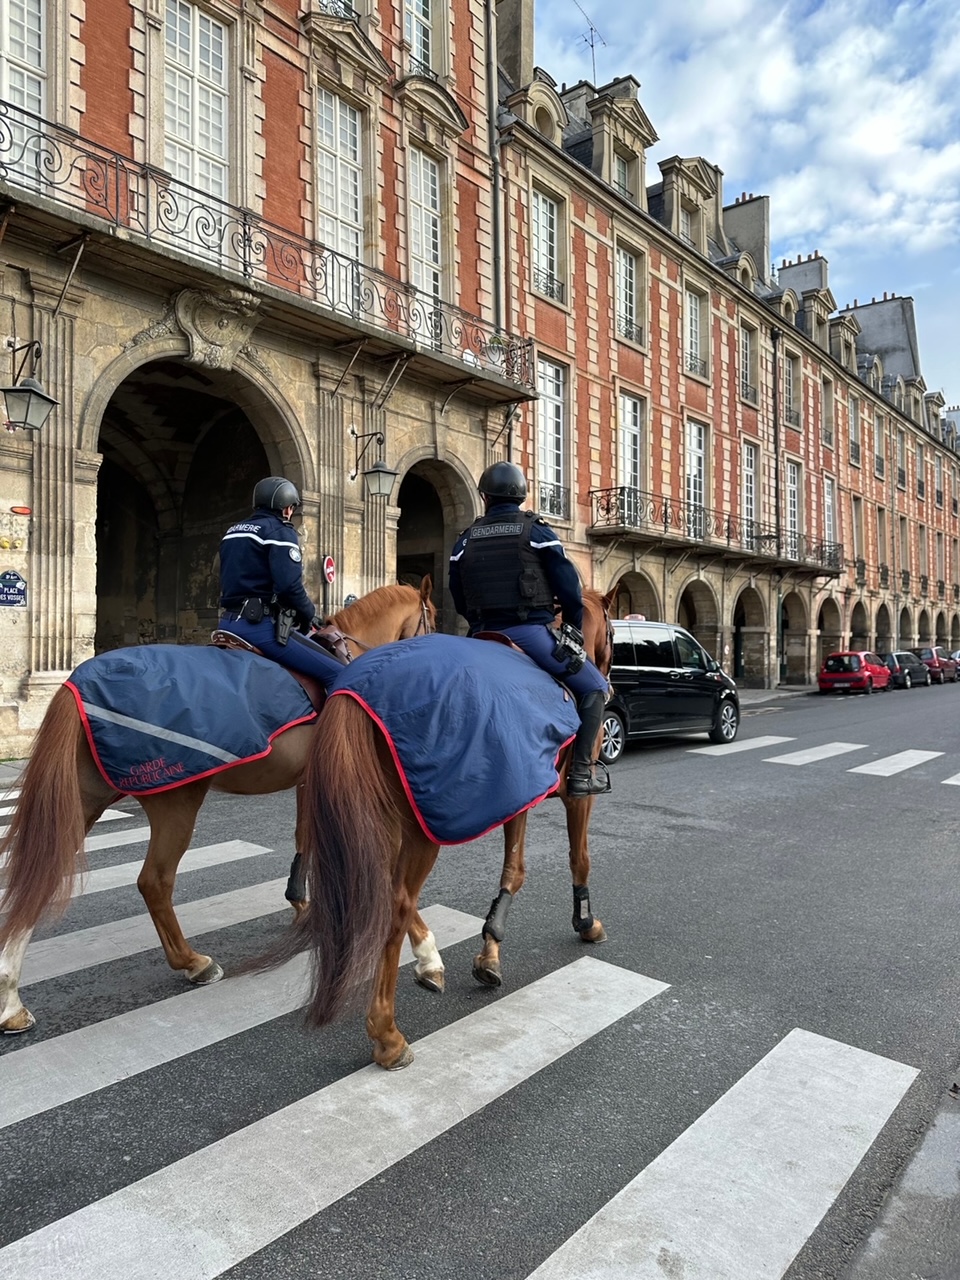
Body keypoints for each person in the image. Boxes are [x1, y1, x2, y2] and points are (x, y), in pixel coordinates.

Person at [449, 461, 609, 797]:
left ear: (484, 496)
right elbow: (570, 592)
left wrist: (479, 622)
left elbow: (458, 597)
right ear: (521, 496)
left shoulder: (465, 540)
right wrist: (575, 630)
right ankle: (581, 772)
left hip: (479, 636)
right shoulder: (537, 533)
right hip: (528, 633)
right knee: (595, 686)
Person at [218, 476, 345, 688]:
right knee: (339, 673)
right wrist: (308, 614)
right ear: (287, 508)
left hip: (227, 623)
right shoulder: (280, 531)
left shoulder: (232, 532)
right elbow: (289, 586)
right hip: (258, 629)